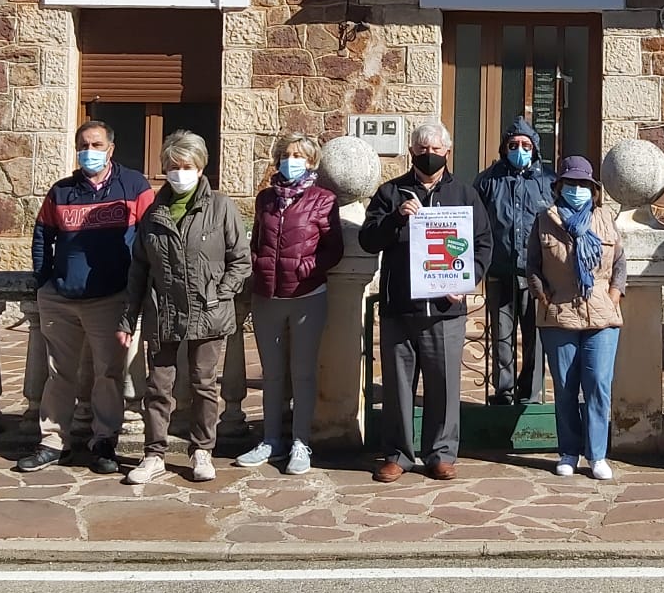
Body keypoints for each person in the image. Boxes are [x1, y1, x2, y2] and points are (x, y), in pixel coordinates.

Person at [17, 120, 155, 475]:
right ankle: (52, 440)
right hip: (61, 298)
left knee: (109, 373)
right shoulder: (62, 191)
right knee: (59, 372)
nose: (88, 152)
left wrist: (137, 288)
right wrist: (44, 279)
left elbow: (150, 238)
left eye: (95, 145)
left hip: (110, 298)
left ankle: (104, 440)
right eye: (83, 145)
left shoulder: (135, 185)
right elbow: (41, 235)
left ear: (111, 148)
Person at [360, 120, 493, 482]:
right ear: (411, 152)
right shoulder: (390, 192)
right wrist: (394, 221)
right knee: (398, 388)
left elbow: (482, 244)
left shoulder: (465, 195)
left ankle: (441, 454)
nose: (429, 155)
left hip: (446, 309)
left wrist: (467, 281)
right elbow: (368, 240)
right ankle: (398, 455)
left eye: (436, 149)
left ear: (448, 152)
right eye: (422, 149)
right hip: (400, 307)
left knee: (444, 387)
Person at [121, 131, 252, 485]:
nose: (179, 172)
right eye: (173, 166)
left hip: (207, 311)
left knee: (204, 384)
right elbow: (139, 268)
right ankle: (154, 454)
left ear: (200, 167)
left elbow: (240, 260)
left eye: (187, 166)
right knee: (158, 387)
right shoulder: (154, 212)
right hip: (163, 313)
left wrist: (221, 293)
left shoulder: (221, 206)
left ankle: (202, 451)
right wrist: (127, 319)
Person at [236, 131, 343, 476]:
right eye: (286, 154)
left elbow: (333, 248)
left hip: (307, 296)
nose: (290, 161)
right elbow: (256, 242)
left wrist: (306, 268)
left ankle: (300, 441)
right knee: (272, 374)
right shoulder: (265, 198)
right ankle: (270, 439)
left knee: (303, 372)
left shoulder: (323, 199)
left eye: (298, 155)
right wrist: (255, 270)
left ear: (311, 162)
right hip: (267, 296)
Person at [526, 155, 624, 480]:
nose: (577, 189)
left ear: (593, 189)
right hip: (559, 315)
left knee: (597, 384)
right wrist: (542, 295)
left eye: (583, 184)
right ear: (560, 187)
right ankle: (569, 451)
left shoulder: (605, 218)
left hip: (602, 316)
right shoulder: (544, 220)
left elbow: (620, 264)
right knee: (566, 386)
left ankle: (597, 454)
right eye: (571, 184)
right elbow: (532, 265)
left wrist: (613, 296)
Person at [474, 117, 554, 406]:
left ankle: (530, 395)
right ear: (504, 147)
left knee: (536, 338)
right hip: (500, 270)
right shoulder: (487, 181)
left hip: (537, 275)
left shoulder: (549, 181)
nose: (519, 149)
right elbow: (476, 225)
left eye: (525, 145)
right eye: (513, 145)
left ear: (534, 149)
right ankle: (503, 391)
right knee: (502, 336)